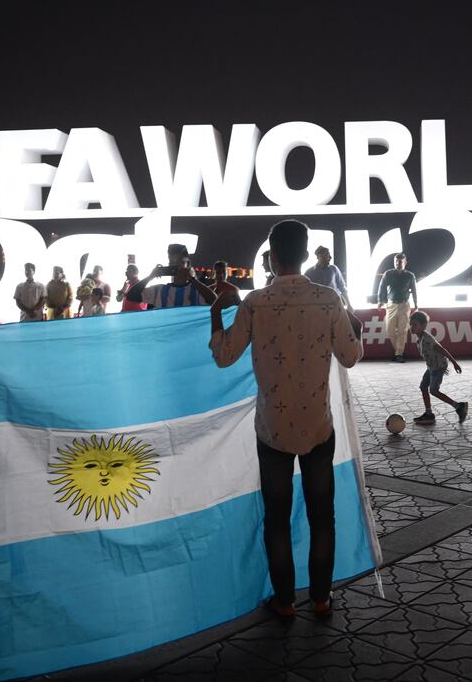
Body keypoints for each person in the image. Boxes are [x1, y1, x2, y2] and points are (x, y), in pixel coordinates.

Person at [209, 219, 363, 619]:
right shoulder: (328, 299)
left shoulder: (255, 303)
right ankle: (322, 598)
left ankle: (283, 602)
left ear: (272, 257)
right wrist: (356, 330)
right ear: (307, 254)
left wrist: (214, 313)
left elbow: (224, 357)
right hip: (318, 426)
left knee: (277, 518)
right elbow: (350, 356)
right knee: (321, 516)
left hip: (272, 430)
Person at [408, 311, 468, 425]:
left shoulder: (427, 339)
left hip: (437, 367)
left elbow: (442, 350)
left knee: (434, 390)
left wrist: (454, 363)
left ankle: (459, 406)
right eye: (411, 324)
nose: (412, 327)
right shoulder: (418, 339)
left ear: (424, 325)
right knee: (423, 387)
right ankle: (429, 414)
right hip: (432, 367)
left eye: (415, 324)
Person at [137, 244, 216, 309]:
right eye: (172, 262)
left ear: (188, 264)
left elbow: (214, 301)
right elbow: (132, 296)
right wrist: (150, 276)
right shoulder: (160, 291)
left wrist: (193, 280)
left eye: (179, 262)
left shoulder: (197, 291)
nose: (175, 266)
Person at [377, 253, 418, 362]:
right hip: (391, 305)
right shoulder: (388, 273)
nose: (398, 264)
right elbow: (381, 287)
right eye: (396, 261)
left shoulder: (410, 275)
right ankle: (397, 351)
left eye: (400, 262)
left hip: (404, 305)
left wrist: (416, 304)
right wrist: (381, 300)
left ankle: (399, 354)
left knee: (402, 331)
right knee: (389, 330)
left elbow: (414, 290)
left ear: (405, 262)